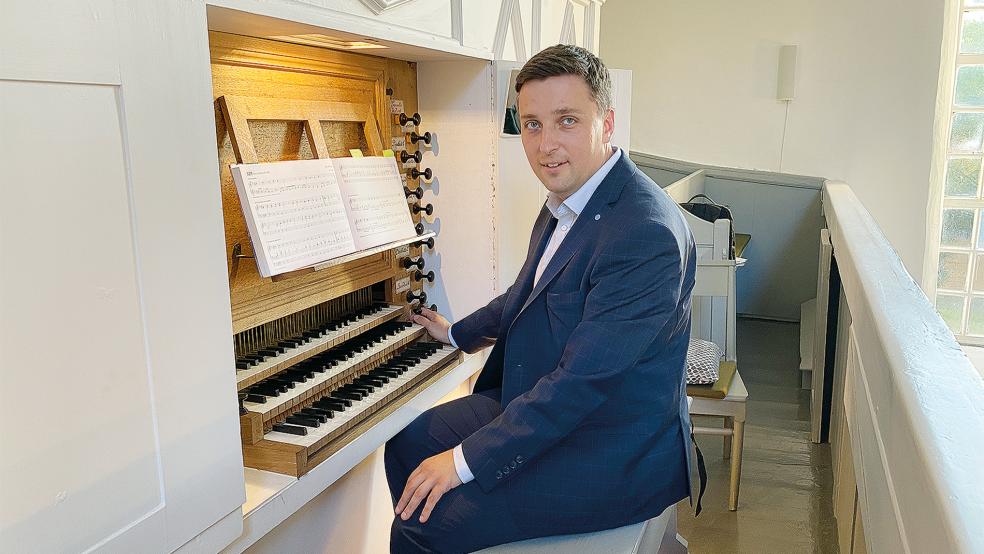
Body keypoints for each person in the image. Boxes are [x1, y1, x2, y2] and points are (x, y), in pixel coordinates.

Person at [385, 44, 698, 553]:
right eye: (532, 124)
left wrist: (463, 463)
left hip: (607, 449)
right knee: (408, 446)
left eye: (566, 120)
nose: (546, 144)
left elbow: (580, 384)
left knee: (422, 526)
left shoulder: (643, 233)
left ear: (607, 122)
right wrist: (458, 332)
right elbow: (529, 291)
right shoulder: (572, 195)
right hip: (558, 410)